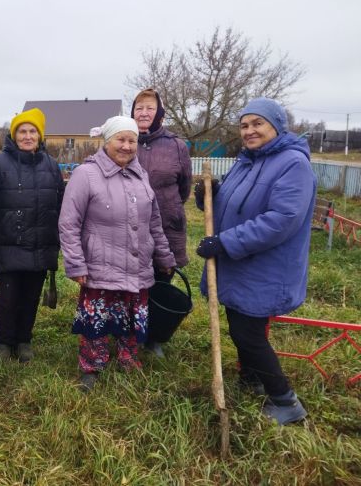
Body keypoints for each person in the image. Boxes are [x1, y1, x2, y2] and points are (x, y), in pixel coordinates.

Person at [195, 97, 315, 425]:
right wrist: (210, 197)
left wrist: (224, 242)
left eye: (258, 124)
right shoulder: (247, 161)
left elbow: (281, 219)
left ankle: (285, 401)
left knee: (248, 333)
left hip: (265, 266)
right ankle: (252, 379)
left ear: (276, 126)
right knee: (241, 324)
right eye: (245, 125)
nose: (250, 131)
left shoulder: (292, 163)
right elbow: (236, 205)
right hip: (240, 263)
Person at [59, 116, 175, 391]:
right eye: (120, 140)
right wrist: (76, 264)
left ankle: (128, 358)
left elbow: (154, 222)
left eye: (131, 141)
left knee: (133, 314)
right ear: (106, 141)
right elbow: (69, 222)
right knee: (97, 317)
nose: (126, 146)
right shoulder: (85, 175)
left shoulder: (141, 174)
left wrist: (165, 257)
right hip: (100, 262)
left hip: (137, 262)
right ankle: (92, 365)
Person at [0, 108, 64, 362]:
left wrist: (59, 239)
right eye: (22, 131)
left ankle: (24, 340)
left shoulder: (51, 166)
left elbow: (61, 205)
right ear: (14, 136)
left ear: (40, 135)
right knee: (8, 297)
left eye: (32, 131)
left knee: (31, 296)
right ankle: (3, 342)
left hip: (40, 243)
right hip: (7, 242)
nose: (27, 136)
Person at [131, 88, 192, 357]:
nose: (143, 113)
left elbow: (184, 189)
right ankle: (130, 331)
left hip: (167, 224)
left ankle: (155, 336)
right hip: (130, 222)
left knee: (161, 277)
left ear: (160, 114)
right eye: (138, 108)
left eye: (149, 108)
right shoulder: (124, 140)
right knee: (132, 278)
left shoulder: (176, 146)